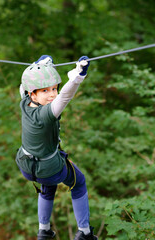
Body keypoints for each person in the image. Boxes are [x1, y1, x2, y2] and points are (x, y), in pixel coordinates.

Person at [15, 55, 98, 240]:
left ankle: (43, 231)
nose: (52, 94)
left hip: (28, 166)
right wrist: (78, 75)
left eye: (54, 89)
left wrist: (38, 65)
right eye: (45, 90)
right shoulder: (47, 113)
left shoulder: (24, 102)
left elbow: (24, 84)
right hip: (49, 168)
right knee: (79, 182)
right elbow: (66, 95)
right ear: (33, 94)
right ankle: (84, 233)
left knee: (48, 186)